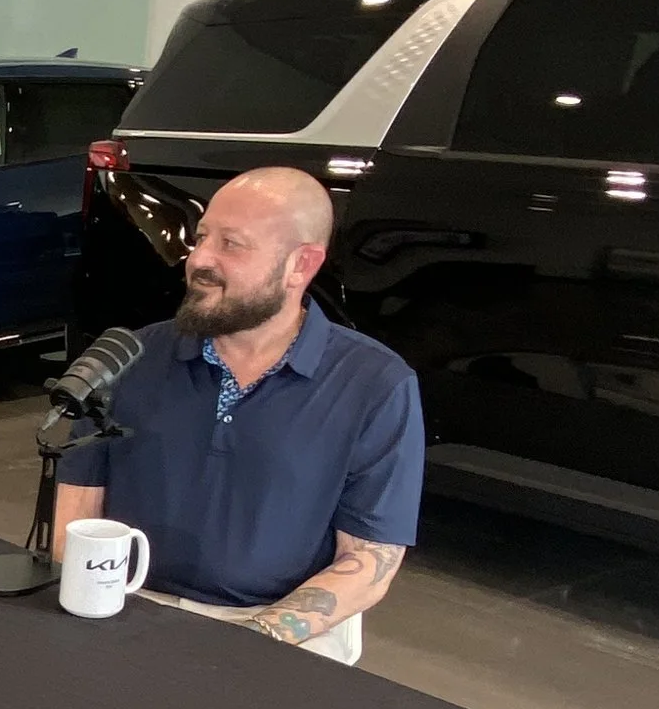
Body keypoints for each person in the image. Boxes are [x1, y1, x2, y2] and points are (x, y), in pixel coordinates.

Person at [52, 167, 422, 661]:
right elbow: (76, 512)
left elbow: (371, 559)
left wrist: (248, 642)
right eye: (202, 237)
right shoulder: (131, 360)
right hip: (129, 603)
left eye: (231, 244)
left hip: (281, 628)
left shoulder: (374, 383)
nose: (199, 259)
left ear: (300, 265)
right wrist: (94, 607)